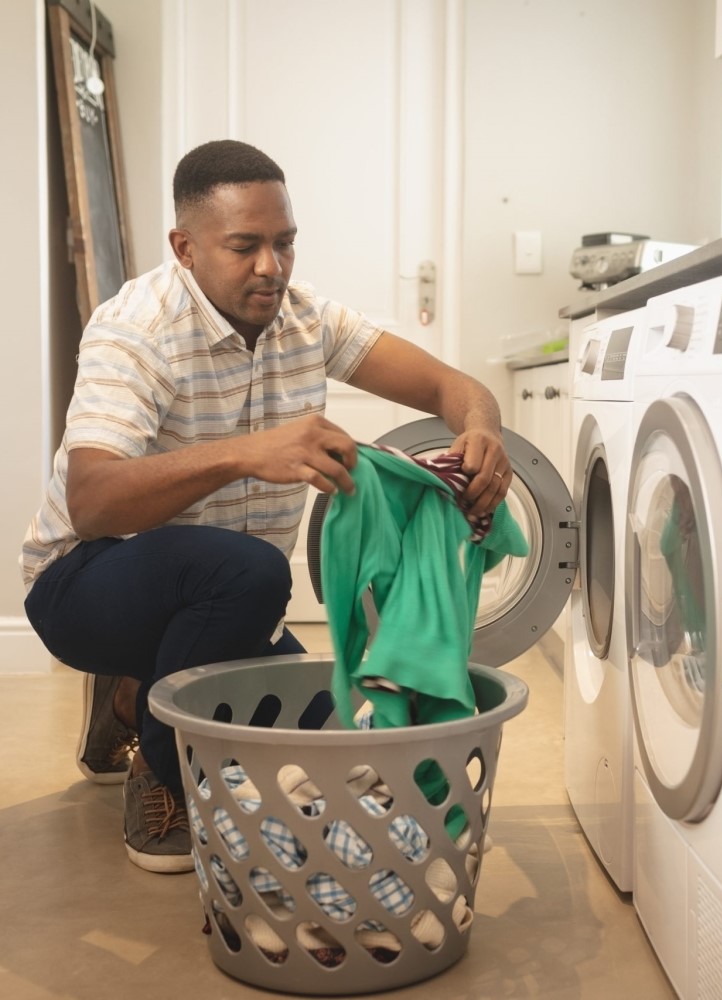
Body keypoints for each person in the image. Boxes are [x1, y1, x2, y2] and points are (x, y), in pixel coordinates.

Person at [19, 139, 513, 874]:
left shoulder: (309, 319)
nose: (271, 268)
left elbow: (454, 387)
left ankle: (133, 696)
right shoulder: (136, 329)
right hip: (84, 583)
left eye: (284, 244)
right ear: (184, 247)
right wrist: (247, 452)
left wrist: (482, 429)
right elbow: (91, 501)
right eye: (245, 246)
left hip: (223, 605)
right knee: (247, 571)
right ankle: (160, 766)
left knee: (348, 740)